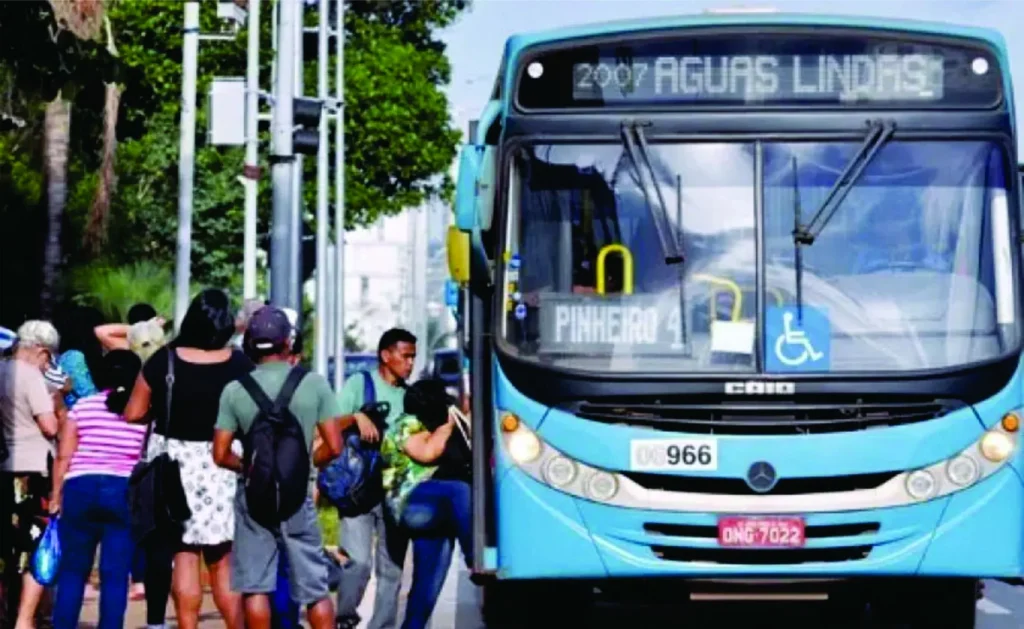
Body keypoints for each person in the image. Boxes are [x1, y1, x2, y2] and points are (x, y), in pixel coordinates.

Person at [124, 289, 253, 629]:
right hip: (221, 464)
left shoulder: (163, 360)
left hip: (173, 469)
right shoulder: (240, 364)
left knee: (183, 555)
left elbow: (134, 413)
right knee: (221, 561)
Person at [212, 306, 348, 629]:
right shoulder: (313, 383)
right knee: (315, 588)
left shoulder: (235, 390)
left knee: (256, 587)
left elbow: (219, 454)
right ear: (287, 342)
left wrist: (249, 467)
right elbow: (335, 445)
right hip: (297, 494)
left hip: (254, 496)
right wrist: (308, 462)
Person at [50, 350, 148, 629]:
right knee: (115, 575)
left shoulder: (82, 408)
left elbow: (64, 456)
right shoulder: (143, 413)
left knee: (72, 571)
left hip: (80, 486)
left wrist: (56, 496)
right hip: (122, 490)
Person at [334, 328, 417, 629]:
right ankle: (344, 617)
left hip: (395, 490)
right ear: (386, 355)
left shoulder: (410, 396)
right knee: (358, 562)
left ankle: (382, 626)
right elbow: (330, 423)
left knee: (392, 568)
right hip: (357, 489)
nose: (410, 363)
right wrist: (356, 417)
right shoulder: (360, 384)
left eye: (413, 357)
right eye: (405, 356)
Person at [381, 379, 472, 629]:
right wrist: (448, 425)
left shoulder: (430, 424)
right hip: (410, 501)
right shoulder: (405, 424)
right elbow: (428, 452)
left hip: (436, 513)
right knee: (459, 490)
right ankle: (475, 557)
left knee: (426, 591)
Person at [0, 320, 61, 629]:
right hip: (30, 470)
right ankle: (24, 620)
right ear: (40, 351)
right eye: (48, 357)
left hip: (2, 465)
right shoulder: (29, 375)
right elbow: (49, 426)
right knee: (33, 545)